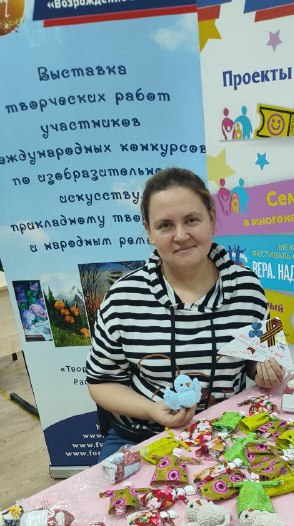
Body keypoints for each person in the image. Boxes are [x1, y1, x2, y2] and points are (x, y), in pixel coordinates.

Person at [86, 167, 283, 459]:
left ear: (212, 219)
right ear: (149, 232)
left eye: (192, 220)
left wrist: (265, 370)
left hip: (226, 434)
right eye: (165, 225)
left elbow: (263, 356)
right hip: (142, 436)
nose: (181, 235)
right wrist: (151, 410)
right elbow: (100, 382)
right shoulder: (123, 297)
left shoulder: (248, 286)